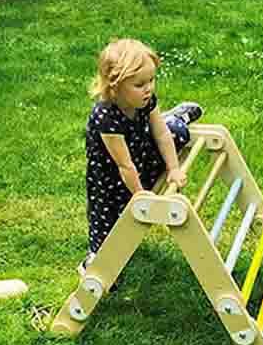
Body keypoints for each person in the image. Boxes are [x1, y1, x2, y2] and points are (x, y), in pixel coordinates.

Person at [82, 38, 203, 274]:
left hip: (140, 148)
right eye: (139, 84)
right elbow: (124, 165)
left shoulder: (146, 100)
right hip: (110, 173)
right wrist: (141, 196)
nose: (148, 88)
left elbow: (161, 135)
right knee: (108, 214)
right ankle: (94, 259)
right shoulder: (105, 116)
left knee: (176, 132)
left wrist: (174, 168)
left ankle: (176, 118)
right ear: (115, 86)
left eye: (151, 80)